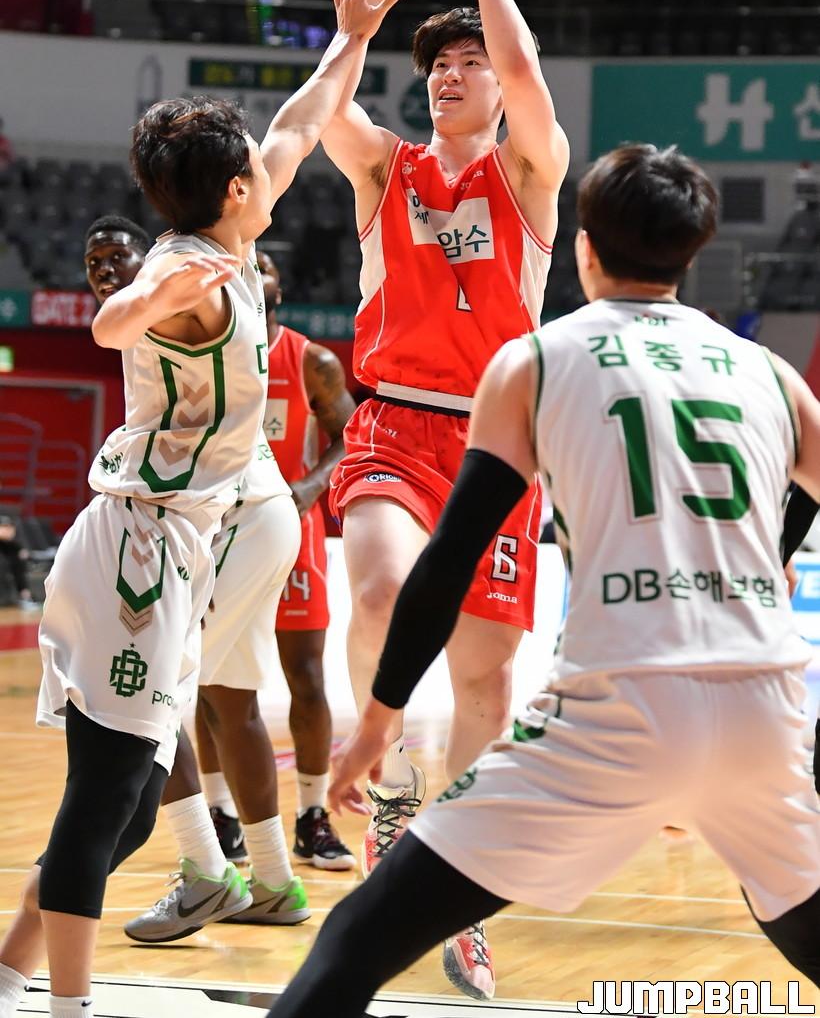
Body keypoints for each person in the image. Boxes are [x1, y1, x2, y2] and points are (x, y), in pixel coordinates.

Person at [269, 143, 820, 1017]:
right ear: (693, 252)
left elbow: (450, 556)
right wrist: (778, 546)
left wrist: (378, 718)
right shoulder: (771, 375)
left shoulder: (535, 360)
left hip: (621, 705)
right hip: (764, 707)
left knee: (353, 943)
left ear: (584, 250)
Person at [0, 0, 417, 1018]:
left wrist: (357, 29)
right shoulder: (187, 269)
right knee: (109, 796)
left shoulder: (233, 229)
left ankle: (6, 972)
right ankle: (65, 1007)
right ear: (235, 192)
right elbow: (109, 324)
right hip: (139, 545)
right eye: (255, 172)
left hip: (182, 540)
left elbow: (304, 118)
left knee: (137, 802)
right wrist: (147, 295)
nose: (272, 174)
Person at [322, 0, 569, 999]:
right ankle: (390, 796)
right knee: (378, 595)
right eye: (436, 67)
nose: (450, 76)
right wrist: (356, 28)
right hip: (392, 423)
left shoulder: (527, 172)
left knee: (485, 684)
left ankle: (453, 892)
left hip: (498, 442)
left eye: (467, 63)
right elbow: (322, 120)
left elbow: (526, 74)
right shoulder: (390, 168)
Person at [195, 250, 357, 871]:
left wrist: (312, 486)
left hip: (290, 528)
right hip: (217, 529)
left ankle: (313, 816)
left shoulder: (310, 359)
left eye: (264, 268)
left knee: (307, 677)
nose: (254, 274)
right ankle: (220, 814)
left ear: (279, 292)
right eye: (245, 267)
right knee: (211, 678)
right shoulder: (205, 352)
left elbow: (350, 434)